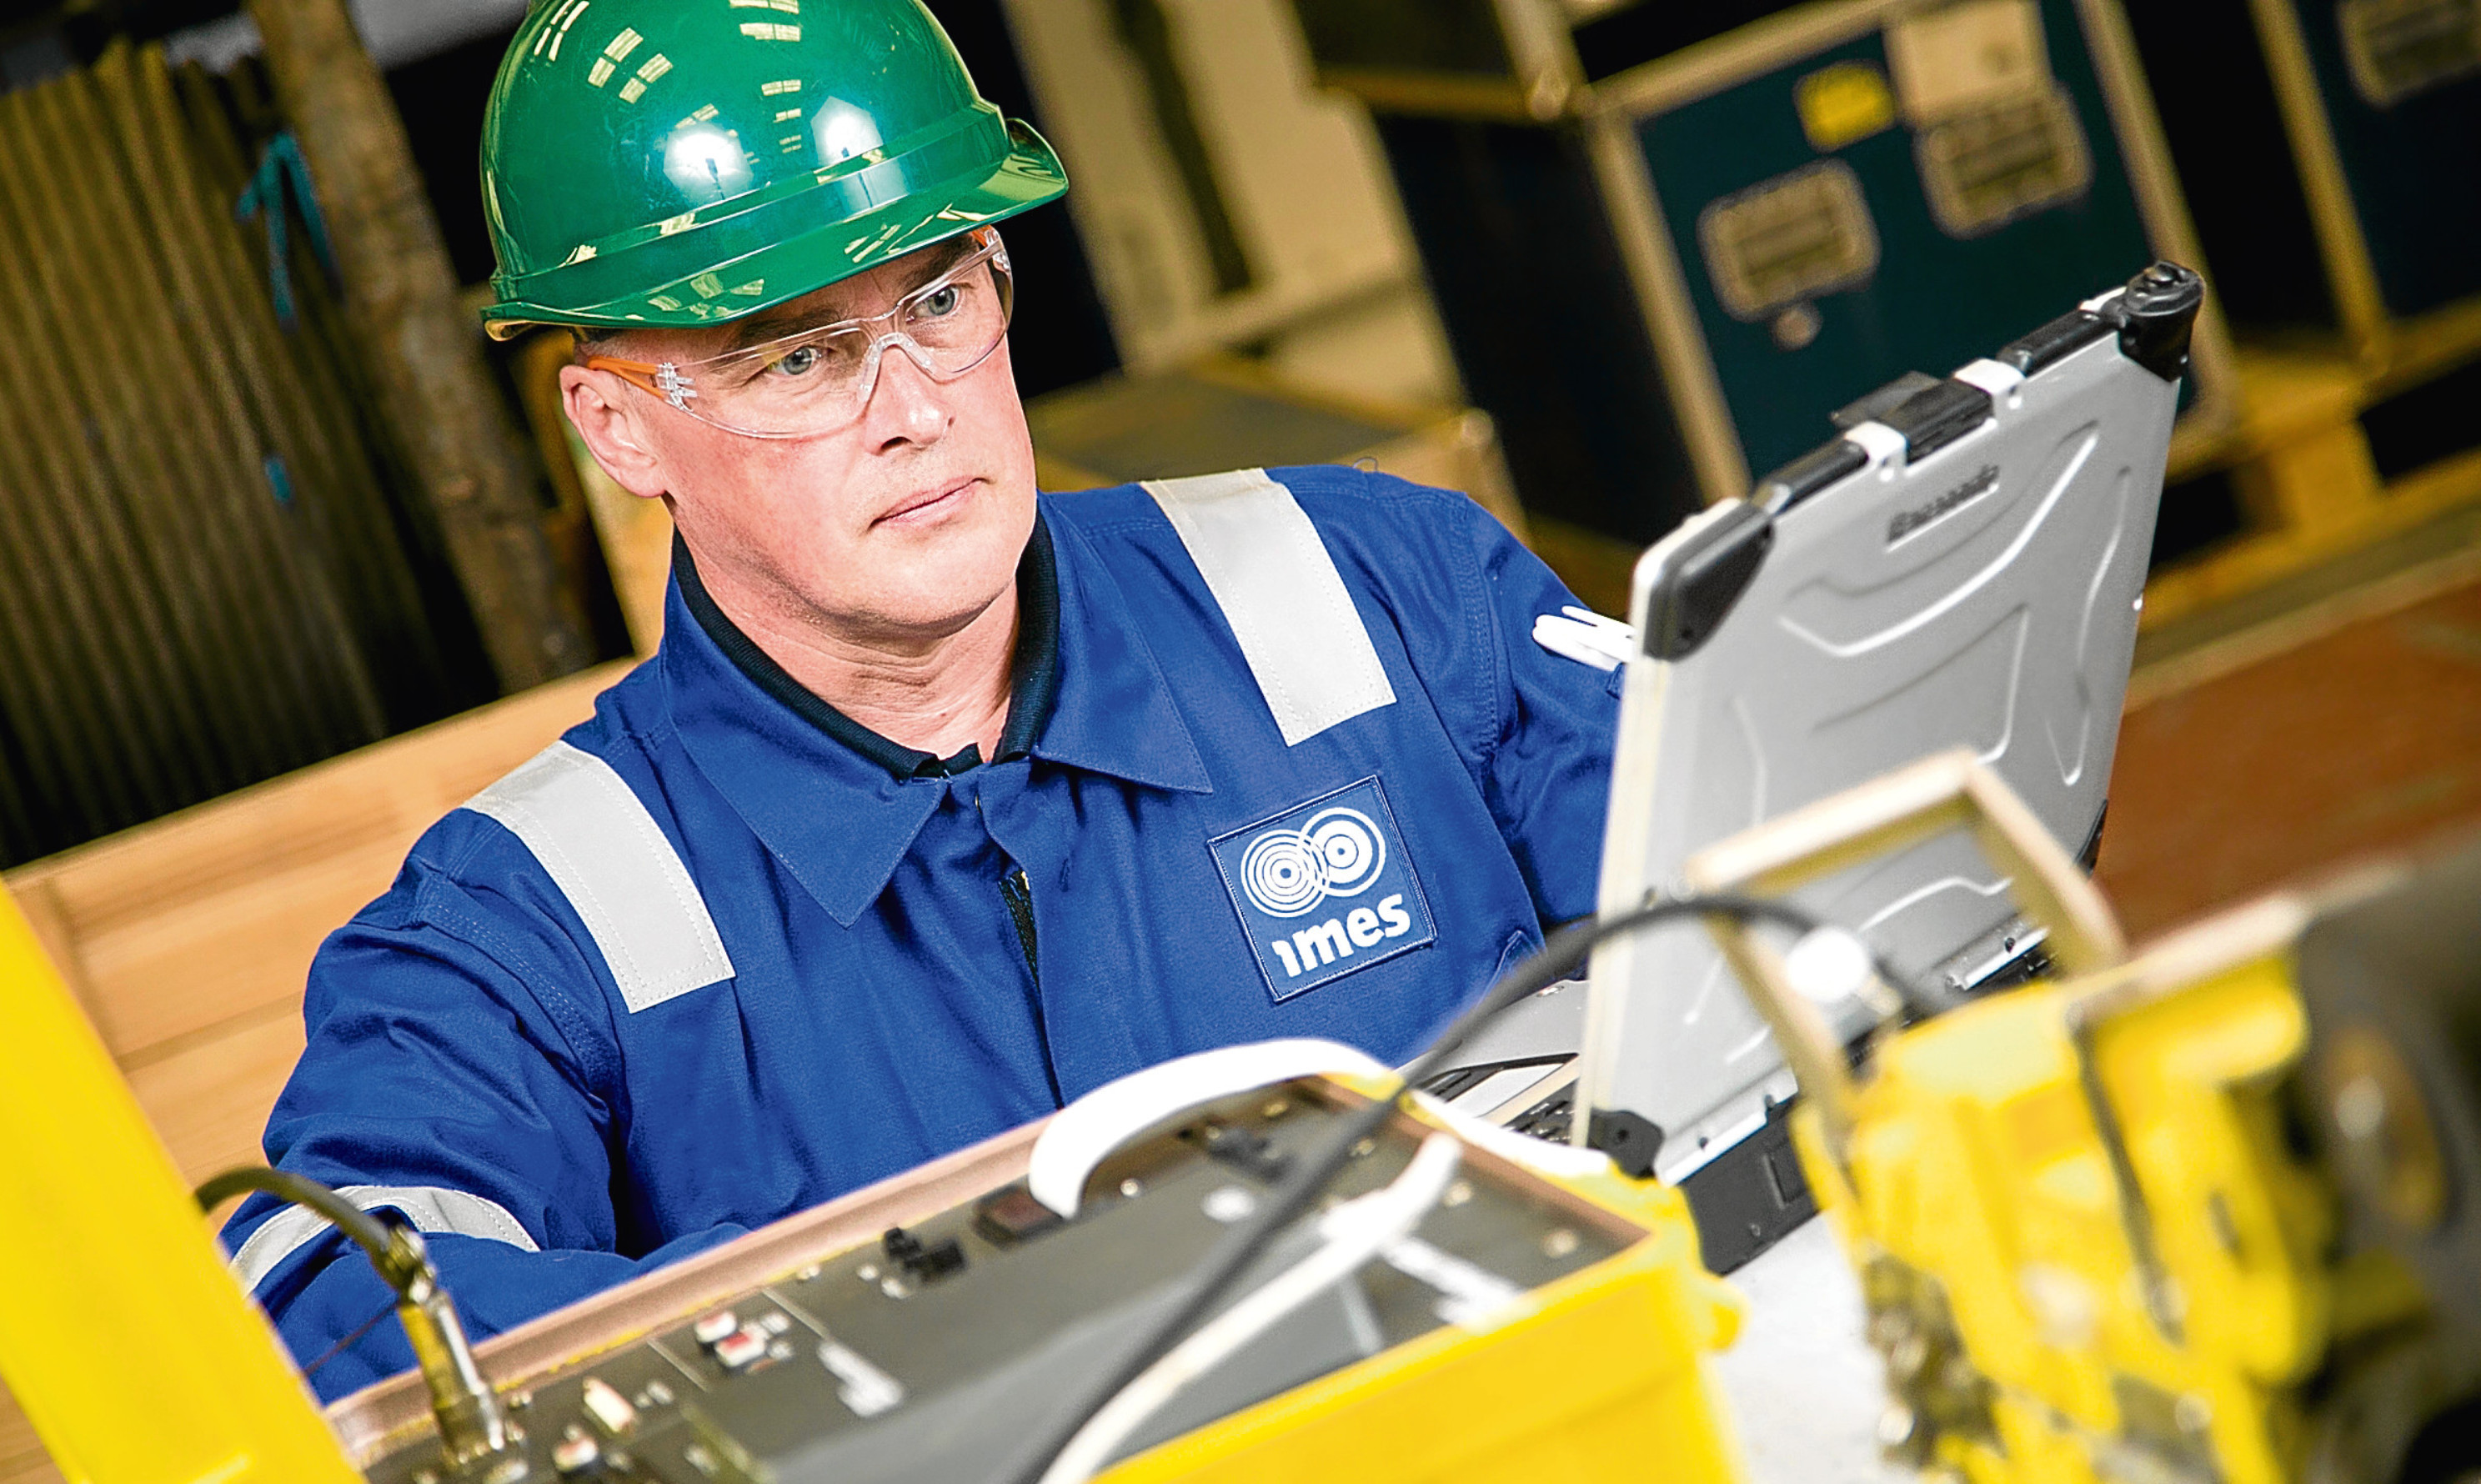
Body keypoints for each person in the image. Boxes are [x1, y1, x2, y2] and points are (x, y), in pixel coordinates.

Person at [222, 0, 1621, 1400]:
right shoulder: (534, 923)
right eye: (796, 356)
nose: (916, 408)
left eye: (939, 301)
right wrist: (900, 1338)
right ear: (619, 426)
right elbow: (328, 1300)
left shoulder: (1380, 587)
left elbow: (1755, 877)